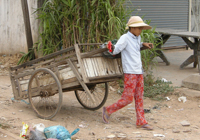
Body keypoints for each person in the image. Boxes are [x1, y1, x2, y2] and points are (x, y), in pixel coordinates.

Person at [102, 16, 154, 130]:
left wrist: (143, 44)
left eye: (141, 28)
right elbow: (116, 50)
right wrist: (110, 47)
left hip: (138, 71)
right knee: (128, 98)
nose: (140, 30)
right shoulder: (125, 38)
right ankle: (108, 110)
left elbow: (135, 48)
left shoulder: (137, 38)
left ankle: (141, 121)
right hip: (130, 72)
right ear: (132, 28)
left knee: (139, 96)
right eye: (139, 28)